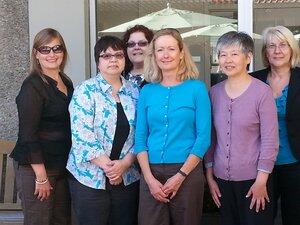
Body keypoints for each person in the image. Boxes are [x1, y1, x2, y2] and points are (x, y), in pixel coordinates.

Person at [134, 28, 211, 225]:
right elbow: (140, 138)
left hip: (186, 172)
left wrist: (180, 176)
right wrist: (149, 179)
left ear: (181, 53)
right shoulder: (147, 91)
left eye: (171, 49)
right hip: (151, 173)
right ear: (154, 55)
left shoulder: (197, 89)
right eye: (160, 50)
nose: (166, 55)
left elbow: (203, 138)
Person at [204, 31, 279, 225]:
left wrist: (262, 181)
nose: (228, 59)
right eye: (222, 54)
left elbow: (270, 140)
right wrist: (210, 176)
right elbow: (211, 138)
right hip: (221, 180)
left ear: (248, 57)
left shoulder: (262, 92)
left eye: (234, 54)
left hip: (254, 180)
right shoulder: (214, 92)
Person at [67, 35, 140, 225]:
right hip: (89, 178)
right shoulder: (85, 90)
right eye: (106, 56)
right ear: (98, 62)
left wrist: (123, 165)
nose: (113, 60)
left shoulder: (135, 92)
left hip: (127, 176)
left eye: (118, 55)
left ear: (125, 59)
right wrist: (110, 169)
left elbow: (142, 133)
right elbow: (82, 135)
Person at [10, 28, 73, 225]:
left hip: (61, 166)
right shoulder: (33, 86)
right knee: (40, 220)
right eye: (45, 50)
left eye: (56, 48)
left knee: (61, 220)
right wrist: (41, 176)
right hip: (36, 169)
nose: (52, 54)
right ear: (36, 54)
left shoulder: (66, 81)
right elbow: (28, 135)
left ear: (63, 52)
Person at [251, 26, 300, 225]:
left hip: (296, 163)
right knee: (261, 218)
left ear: (292, 49)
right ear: (265, 52)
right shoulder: (254, 80)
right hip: (260, 166)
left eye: (283, 45)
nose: (277, 50)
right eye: (271, 46)